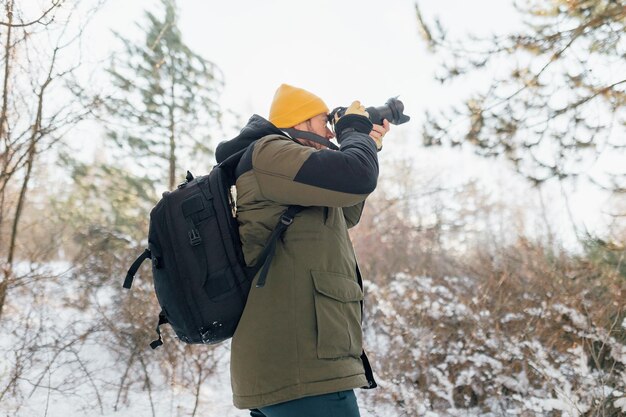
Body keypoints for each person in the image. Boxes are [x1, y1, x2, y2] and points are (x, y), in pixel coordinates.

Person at [215, 84, 390, 417]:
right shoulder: (270, 152)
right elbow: (357, 177)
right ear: (298, 122)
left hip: (295, 368)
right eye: (323, 122)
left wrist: (369, 142)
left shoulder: (292, 174)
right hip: (302, 371)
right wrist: (355, 134)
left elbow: (348, 206)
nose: (329, 131)